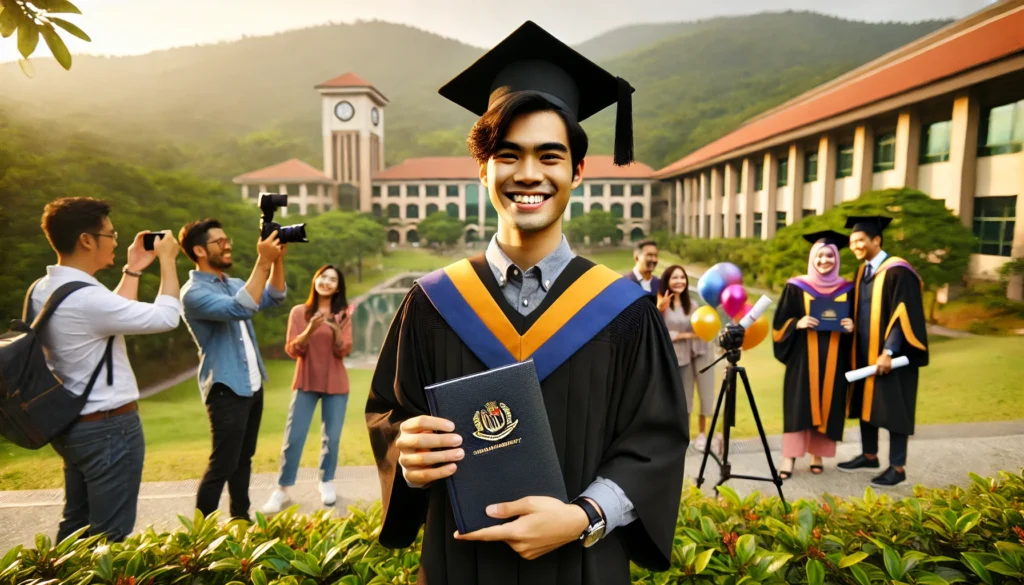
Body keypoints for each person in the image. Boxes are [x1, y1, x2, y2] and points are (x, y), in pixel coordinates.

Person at [365, 21, 688, 585]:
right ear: (483, 168)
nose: (529, 174)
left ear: (577, 171)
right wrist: (406, 456)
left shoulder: (623, 310)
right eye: (508, 155)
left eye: (550, 155)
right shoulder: (433, 302)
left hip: (583, 565)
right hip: (460, 565)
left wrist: (584, 517)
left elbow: (655, 443)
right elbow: (389, 415)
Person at [29, 197, 182, 543]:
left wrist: (134, 268)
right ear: (86, 239)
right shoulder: (87, 298)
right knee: (109, 536)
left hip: (71, 426)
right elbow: (167, 317)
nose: (116, 241)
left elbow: (110, 316)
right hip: (109, 427)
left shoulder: (44, 288)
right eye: (111, 234)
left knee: (75, 527)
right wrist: (168, 262)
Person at [178, 219, 287, 521]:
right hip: (226, 388)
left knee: (243, 460)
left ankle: (241, 519)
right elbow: (238, 308)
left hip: (252, 385)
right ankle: (202, 533)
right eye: (219, 241)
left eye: (227, 240)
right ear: (199, 250)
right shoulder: (192, 293)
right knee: (223, 463)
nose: (227, 245)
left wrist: (276, 261)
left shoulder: (236, 283)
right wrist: (263, 260)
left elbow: (275, 296)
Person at [838, 216, 928, 488]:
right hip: (865, 352)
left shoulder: (899, 271)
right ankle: (869, 455)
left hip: (893, 357)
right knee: (867, 403)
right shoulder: (863, 271)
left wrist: (889, 350)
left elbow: (904, 314)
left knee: (894, 407)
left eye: (860, 240)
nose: (855, 246)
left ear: (876, 240)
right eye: (852, 242)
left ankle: (897, 467)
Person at [261, 265, 354, 514]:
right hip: (306, 380)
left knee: (331, 438)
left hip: (335, 382)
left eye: (332, 279)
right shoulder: (299, 312)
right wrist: (309, 329)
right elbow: (292, 349)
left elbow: (344, 350)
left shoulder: (343, 314)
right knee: (294, 437)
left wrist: (335, 330)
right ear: (315, 280)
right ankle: (281, 489)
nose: (326, 282)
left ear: (338, 287)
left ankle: (326, 481)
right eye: (323, 276)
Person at [771, 230, 855, 479]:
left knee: (828, 406)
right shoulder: (796, 286)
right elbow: (778, 325)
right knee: (798, 407)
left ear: (836, 259)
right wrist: (797, 323)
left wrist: (852, 328)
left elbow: (859, 324)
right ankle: (789, 459)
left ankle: (817, 456)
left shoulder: (847, 288)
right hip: (802, 359)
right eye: (819, 256)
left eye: (830, 256)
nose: (824, 261)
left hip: (834, 360)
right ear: (812, 258)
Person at [656, 265, 718, 452]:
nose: (679, 281)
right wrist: (660, 310)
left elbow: (700, 330)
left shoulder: (692, 304)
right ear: (667, 280)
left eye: (682, 277)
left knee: (706, 394)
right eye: (674, 278)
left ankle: (702, 435)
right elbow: (661, 332)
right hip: (678, 357)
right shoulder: (661, 304)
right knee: (684, 398)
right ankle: (683, 436)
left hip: (699, 352)